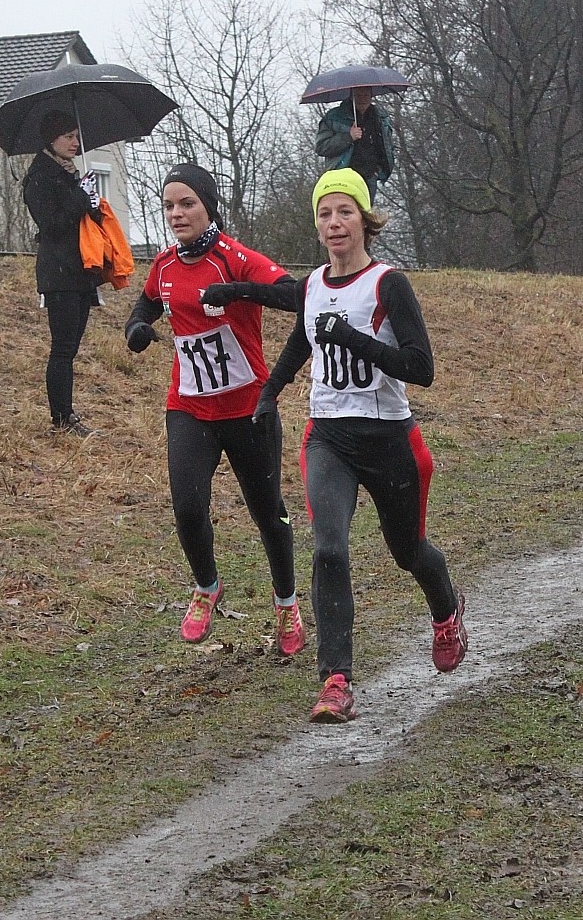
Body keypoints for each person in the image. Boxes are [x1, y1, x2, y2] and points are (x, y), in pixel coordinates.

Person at [254, 168, 467, 724]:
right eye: (325, 214)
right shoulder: (311, 286)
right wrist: (270, 393)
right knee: (329, 550)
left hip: (390, 438)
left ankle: (446, 608)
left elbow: (421, 368)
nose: (334, 223)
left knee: (407, 551)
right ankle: (336, 680)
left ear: (364, 220)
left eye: (344, 211)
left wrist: (353, 339)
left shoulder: (388, 283)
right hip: (328, 437)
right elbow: (301, 341)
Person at [123, 163, 306, 655]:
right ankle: (207, 587)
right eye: (169, 206)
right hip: (189, 406)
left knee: (269, 514)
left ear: (208, 207)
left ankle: (286, 603)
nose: (177, 214)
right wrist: (136, 329)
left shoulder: (234, 257)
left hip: (248, 408)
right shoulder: (164, 265)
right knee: (187, 507)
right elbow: (146, 304)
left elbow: (295, 294)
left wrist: (237, 290)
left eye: (187, 204)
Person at [23, 110, 104, 436]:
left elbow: (82, 221)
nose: (75, 142)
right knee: (63, 348)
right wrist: (79, 197)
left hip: (80, 271)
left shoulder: (69, 174)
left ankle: (66, 414)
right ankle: (61, 418)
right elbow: (52, 226)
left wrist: (92, 203)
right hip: (59, 274)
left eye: (76, 136)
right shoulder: (39, 178)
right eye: (68, 136)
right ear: (51, 139)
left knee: (71, 347)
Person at [314, 86, 395, 204]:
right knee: (347, 210)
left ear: (371, 96)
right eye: (358, 95)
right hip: (343, 177)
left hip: (370, 177)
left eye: (366, 95)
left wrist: (379, 170)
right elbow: (321, 147)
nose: (362, 99)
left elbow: (388, 145)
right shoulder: (334, 118)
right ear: (351, 96)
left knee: (366, 213)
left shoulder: (381, 117)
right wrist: (349, 137)